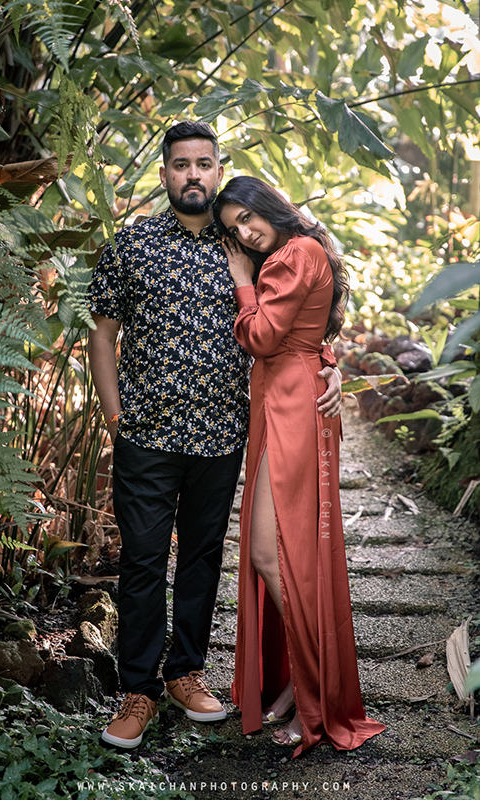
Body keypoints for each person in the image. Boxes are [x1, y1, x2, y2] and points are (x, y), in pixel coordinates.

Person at [86, 121, 343, 750]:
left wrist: (333, 369)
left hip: (225, 437)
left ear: (217, 168)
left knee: (201, 559)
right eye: (181, 164)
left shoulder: (248, 247)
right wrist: (115, 413)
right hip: (146, 433)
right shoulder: (134, 244)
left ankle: (187, 674)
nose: (193, 174)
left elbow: (304, 314)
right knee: (144, 561)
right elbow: (102, 331)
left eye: (204, 163)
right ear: (166, 172)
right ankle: (137, 690)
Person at [213, 176, 385, 756]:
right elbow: (313, 332)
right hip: (287, 399)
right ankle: (295, 686)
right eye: (234, 227)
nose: (244, 231)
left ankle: (314, 694)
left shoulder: (290, 255)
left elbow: (262, 337)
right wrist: (329, 366)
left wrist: (242, 283)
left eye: (247, 217)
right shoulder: (304, 249)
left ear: (268, 204)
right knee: (282, 554)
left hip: (290, 405)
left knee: (273, 553)